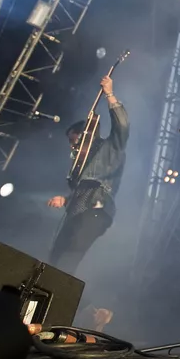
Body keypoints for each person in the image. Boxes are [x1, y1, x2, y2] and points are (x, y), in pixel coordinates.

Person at [47, 75, 129, 278]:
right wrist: (64, 199)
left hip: (97, 207)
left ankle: (62, 295)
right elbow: (79, 190)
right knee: (55, 256)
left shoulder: (110, 148)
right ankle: (84, 306)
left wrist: (109, 94)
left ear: (85, 135)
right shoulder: (80, 165)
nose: (72, 146)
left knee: (71, 254)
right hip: (77, 207)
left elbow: (122, 127)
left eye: (74, 141)